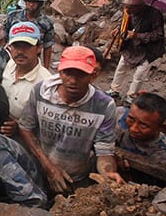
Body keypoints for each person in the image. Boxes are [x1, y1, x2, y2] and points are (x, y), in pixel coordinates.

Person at [17, 46, 123, 195]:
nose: (73, 81)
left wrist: (108, 173)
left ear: (92, 75)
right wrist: (49, 167)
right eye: (68, 73)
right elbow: (25, 128)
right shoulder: (41, 92)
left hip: (76, 178)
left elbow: (104, 150)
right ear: (60, 72)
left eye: (81, 74)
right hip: (39, 169)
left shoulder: (103, 105)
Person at [109, 0, 166, 104]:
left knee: (139, 75)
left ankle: (131, 95)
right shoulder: (128, 12)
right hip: (131, 47)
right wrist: (118, 30)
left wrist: (136, 35)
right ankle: (114, 89)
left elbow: (159, 35)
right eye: (126, 6)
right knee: (121, 67)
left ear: (139, 7)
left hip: (148, 49)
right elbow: (123, 24)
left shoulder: (155, 14)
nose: (127, 10)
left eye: (130, 8)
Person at [0, 22, 52, 137]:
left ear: (39, 48)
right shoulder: (10, 65)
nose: (20, 52)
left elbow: (47, 127)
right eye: (16, 46)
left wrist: (19, 127)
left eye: (27, 46)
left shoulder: (46, 83)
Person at [115, 93, 166, 166]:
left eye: (143, 125)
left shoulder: (163, 156)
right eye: (131, 119)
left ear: (161, 128)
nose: (133, 129)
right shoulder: (118, 115)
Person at [4, 0, 55, 69]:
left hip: (32, 61)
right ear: (25, 1)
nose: (31, 4)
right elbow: (4, 38)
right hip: (13, 59)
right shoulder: (13, 16)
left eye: (34, 2)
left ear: (41, 3)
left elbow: (47, 47)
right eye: (29, 1)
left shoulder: (46, 23)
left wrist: (46, 68)